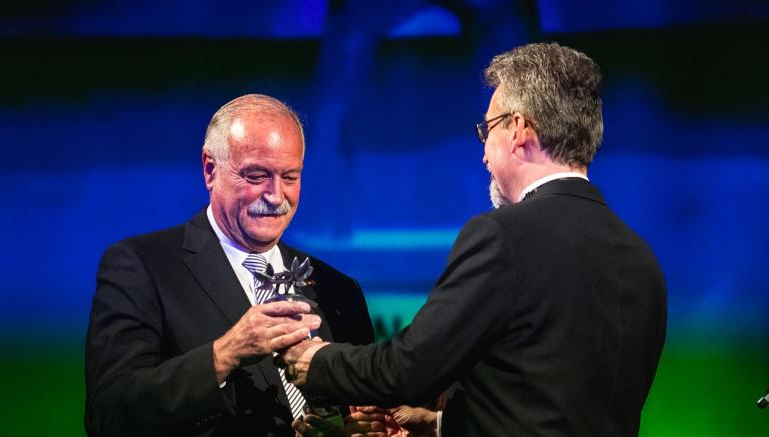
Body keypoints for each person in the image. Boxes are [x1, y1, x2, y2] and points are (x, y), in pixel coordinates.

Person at [280, 42, 667, 436]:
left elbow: (411, 369)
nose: (483, 154)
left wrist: (317, 361)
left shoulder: (504, 236)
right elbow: (550, 400)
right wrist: (440, 425)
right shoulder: (641, 257)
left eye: (487, 129)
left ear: (518, 129)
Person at [84, 94, 378, 436]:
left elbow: (363, 414)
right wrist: (224, 353)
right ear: (211, 170)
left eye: (289, 177)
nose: (275, 195)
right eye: (257, 176)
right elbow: (108, 414)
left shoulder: (338, 290)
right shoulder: (141, 266)